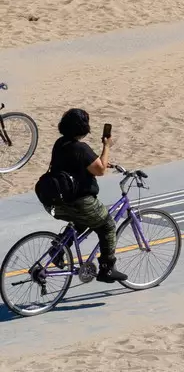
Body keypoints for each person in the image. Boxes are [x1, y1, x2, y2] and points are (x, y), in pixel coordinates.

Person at [40, 108, 127, 283]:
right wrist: (106, 146)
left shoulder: (60, 143)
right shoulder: (82, 148)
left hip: (57, 202)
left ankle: (57, 251)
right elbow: (100, 170)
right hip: (80, 201)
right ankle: (107, 268)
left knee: (81, 221)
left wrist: (99, 161)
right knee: (107, 226)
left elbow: (77, 165)